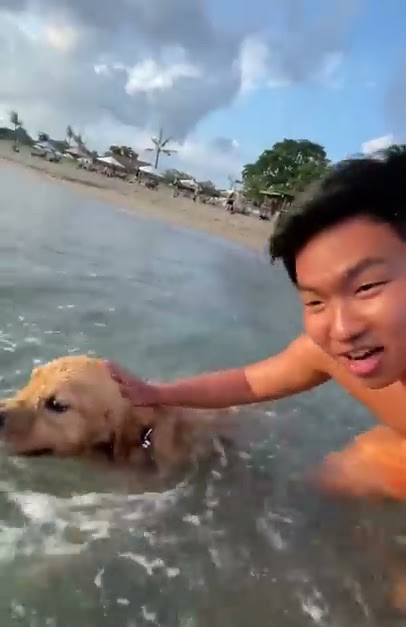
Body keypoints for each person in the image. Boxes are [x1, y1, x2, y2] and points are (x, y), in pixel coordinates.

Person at [107, 153, 406, 496]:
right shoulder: (331, 353)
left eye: (367, 287)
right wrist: (156, 394)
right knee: (335, 480)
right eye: (315, 301)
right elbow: (249, 383)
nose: (342, 330)